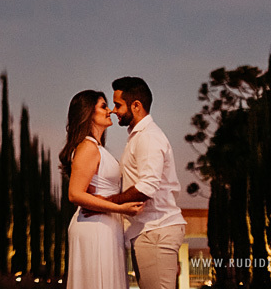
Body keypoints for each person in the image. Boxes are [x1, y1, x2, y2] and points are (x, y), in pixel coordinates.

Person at [103, 76, 186, 289]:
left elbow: (147, 187)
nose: (113, 110)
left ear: (136, 105)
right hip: (149, 231)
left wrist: (110, 201)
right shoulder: (139, 137)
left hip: (156, 230)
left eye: (118, 105)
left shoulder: (148, 137)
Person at [59, 90, 144, 289]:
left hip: (106, 225)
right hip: (95, 227)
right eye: (104, 106)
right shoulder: (88, 147)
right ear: (88, 113)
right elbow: (75, 193)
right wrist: (122, 209)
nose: (111, 111)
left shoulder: (97, 148)